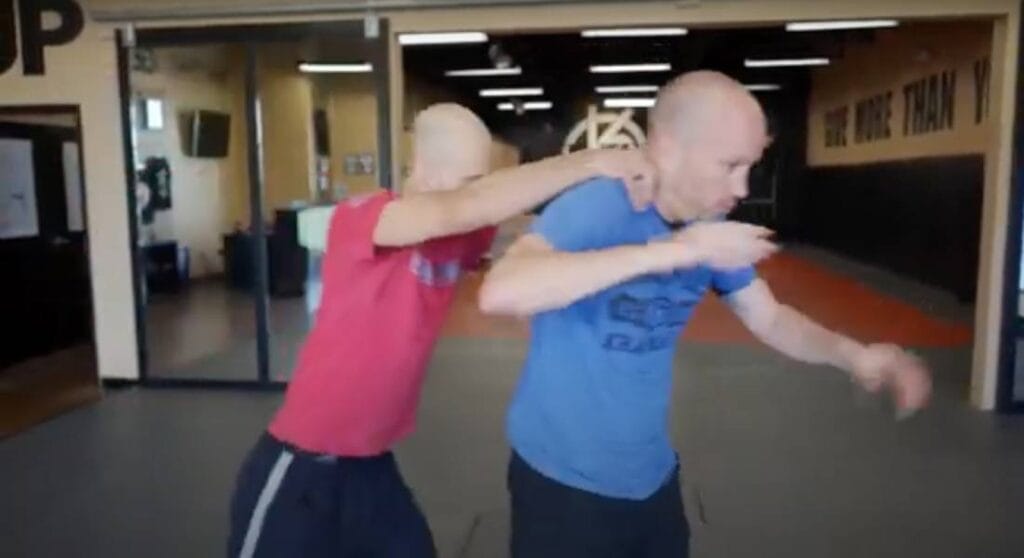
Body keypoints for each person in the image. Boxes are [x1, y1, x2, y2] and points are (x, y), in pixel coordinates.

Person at [478, 71, 933, 558]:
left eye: (750, 167)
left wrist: (855, 355)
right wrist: (674, 250)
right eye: (729, 165)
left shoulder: (707, 224)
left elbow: (771, 318)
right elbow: (501, 291)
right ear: (670, 150)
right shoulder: (599, 205)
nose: (741, 187)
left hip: (649, 477)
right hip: (563, 483)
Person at [226, 103, 655, 558]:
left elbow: (528, 227)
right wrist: (590, 160)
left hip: (371, 464)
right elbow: (463, 207)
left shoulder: (463, 235)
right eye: (473, 179)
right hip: (302, 463)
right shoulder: (363, 217)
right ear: (426, 172)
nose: (482, 191)